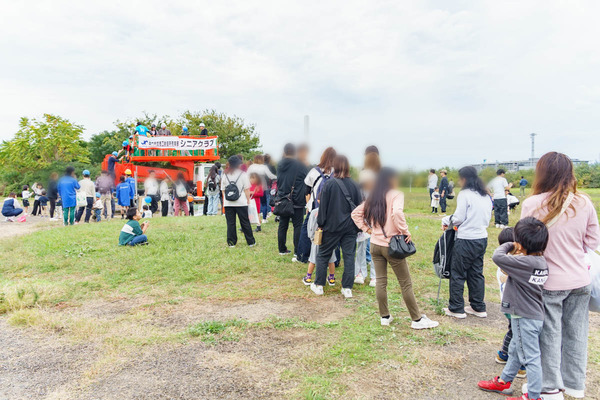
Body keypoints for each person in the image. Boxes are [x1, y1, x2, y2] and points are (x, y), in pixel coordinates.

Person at [520, 152, 600, 399]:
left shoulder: (532, 204)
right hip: (580, 280)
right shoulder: (584, 202)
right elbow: (593, 241)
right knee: (576, 334)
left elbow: (523, 242)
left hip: (548, 281)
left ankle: (550, 387)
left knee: (549, 334)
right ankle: (574, 385)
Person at [352, 167, 439, 329]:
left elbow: (355, 214)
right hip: (392, 246)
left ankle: (384, 317)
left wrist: (368, 230)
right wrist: (405, 231)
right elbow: (397, 213)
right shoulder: (396, 194)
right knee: (405, 283)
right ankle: (416, 319)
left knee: (381, 281)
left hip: (375, 245)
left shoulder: (374, 196)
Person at [477, 217, 549, 400]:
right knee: (515, 350)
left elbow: (497, 257)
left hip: (523, 316)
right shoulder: (541, 262)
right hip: (534, 315)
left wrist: (510, 243)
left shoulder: (525, 263)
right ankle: (504, 381)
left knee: (531, 358)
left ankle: (534, 396)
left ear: (522, 243)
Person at [442, 166, 492, 319]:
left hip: (466, 239)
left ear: (464, 178)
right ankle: (478, 307)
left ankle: (456, 308)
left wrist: (446, 220)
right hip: (481, 238)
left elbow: (458, 217)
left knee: (458, 273)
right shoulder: (485, 194)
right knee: (476, 273)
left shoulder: (465, 194)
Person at [311, 155, 361, 298]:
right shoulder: (355, 185)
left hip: (331, 226)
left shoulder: (329, 184)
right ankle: (347, 288)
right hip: (350, 227)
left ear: (335, 166)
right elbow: (359, 207)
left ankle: (319, 285)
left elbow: (323, 207)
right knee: (349, 257)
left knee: (323, 255)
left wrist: (321, 224)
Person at [493, 227, 527, 379]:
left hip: (508, 305)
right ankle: (520, 365)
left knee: (513, 330)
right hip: (514, 305)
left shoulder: (505, 261)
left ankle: (504, 354)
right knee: (519, 334)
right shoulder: (510, 264)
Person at [298, 147, 337, 264]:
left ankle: (304, 256)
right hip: (333, 209)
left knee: (308, 230)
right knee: (334, 233)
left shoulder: (314, 171)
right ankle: (334, 260)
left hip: (315, 207)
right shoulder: (337, 172)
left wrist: (308, 206)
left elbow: (307, 191)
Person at [276, 143, 308, 256]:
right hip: (297, 198)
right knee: (298, 225)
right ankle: (297, 251)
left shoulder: (280, 165)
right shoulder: (300, 165)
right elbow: (307, 180)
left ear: (284, 152)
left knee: (283, 224)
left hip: (283, 199)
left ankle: (281, 249)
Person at [355, 150, 380, 287]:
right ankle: (373, 277)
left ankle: (361, 273)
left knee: (362, 244)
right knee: (374, 245)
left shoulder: (364, 174)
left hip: (366, 212)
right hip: (376, 213)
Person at [221, 156, 256, 247]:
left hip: (228, 203)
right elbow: (246, 189)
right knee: (245, 222)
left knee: (230, 223)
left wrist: (226, 199)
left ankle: (231, 243)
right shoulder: (243, 174)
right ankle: (251, 242)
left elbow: (223, 190)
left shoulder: (225, 174)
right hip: (241, 202)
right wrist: (248, 200)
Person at [302, 207, 337, 286]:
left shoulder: (314, 212)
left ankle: (308, 278)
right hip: (329, 239)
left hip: (317, 237)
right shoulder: (332, 210)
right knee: (331, 259)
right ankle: (331, 278)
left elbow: (310, 226)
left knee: (313, 259)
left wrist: (311, 237)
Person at [247, 155, 277, 222]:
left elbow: (247, 175)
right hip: (262, 185)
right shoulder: (264, 167)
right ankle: (264, 219)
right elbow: (270, 175)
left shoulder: (251, 167)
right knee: (264, 203)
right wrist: (277, 177)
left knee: (252, 202)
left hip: (252, 185)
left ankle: (253, 217)